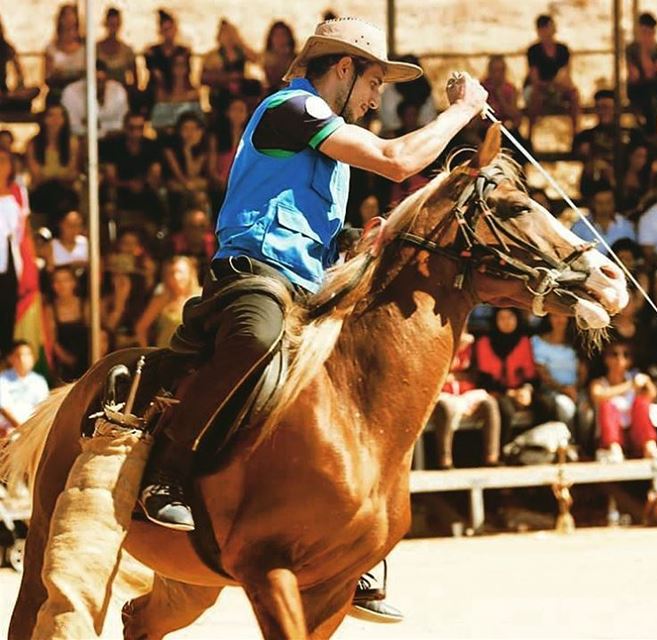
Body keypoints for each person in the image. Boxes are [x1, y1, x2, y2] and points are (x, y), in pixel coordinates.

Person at [138, 16, 488, 619]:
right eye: (374, 81)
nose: (378, 97)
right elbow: (397, 159)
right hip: (253, 278)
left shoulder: (331, 146)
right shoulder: (290, 109)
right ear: (344, 69)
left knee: (370, 374)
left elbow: (323, 229)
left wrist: (359, 242)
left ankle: (355, 539)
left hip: (308, 285)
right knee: (258, 333)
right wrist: (462, 112)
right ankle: (165, 473)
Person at [431, 331, 501, 469]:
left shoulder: (472, 346)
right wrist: (455, 349)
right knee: (446, 408)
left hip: (466, 393)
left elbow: (475, 375)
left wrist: (456, 376)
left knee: (490, 404)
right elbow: (436, 374)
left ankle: (492, 457)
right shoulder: (436, 343)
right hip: (444, 394)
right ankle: (445, 460)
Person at [590, 339, 657, 462]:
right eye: (614, 354)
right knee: (607, 405)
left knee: (641, 402)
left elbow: (652, 395)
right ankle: (614, 450)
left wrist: (647, 382)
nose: (620, 359)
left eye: (625, 354)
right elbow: (598, 395)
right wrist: (630, 385)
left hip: (635, 436)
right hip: (611, 439)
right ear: (606, 359)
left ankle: (650, 448)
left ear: (630, 361)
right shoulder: (599, 383)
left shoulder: (635, 379)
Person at [474, 308, 540, 450]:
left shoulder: (524, 341)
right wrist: (509, 392)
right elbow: (484, 379)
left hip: (520, 391)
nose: (506, 322)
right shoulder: (484, 343)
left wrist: (526, 390)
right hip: (495, 392)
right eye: (501, 318)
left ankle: (538, 448)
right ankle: (502, 451)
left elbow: (531, 375)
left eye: (510, 317)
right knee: (505, 408)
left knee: (546, 404)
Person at [99, 111, 165, 230]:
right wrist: (128, 184)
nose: (136, 132)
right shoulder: (113, 145)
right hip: (120, 189)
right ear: (125, 127)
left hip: (145, 189)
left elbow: (155, 173)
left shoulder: (152, 146)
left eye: (140, 128)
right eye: (132, 128)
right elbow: (110, 177)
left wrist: (143, 183)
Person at [524, 14, 579, 140]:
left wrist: (558, 85)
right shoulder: (534, 51)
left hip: (557, 87)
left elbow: (566, 75)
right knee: (535, 96)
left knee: (574, 94)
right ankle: (529, 136)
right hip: (538, 88)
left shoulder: (563, 50)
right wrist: (548, 85)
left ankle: (576, 132)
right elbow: (534, 79)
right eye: (543, 29)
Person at [25, 103, 80, 223]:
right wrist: (57, 176)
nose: (56, 120)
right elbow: (37, 177)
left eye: (60, 116)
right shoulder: (33, 145)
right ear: (44, 119)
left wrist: (53, 176)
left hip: (65, 190)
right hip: (41, 191)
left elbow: (72, 174)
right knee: (52, 193)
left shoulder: (72, 144)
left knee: (61, 196)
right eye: (51, 116)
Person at [135, 256, 200, 348]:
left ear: (190, 274)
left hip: (194, 353)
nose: (176, 277)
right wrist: (146, 351)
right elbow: (141, 328)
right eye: (171, 273)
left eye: (180, 272)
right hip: (166, 352)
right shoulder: (162, 299)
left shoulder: (200, 296)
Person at [0, 146, 28, 356]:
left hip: (9, 258)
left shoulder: (18, 191)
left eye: (3, 161)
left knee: (7, 310)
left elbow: (22, 230)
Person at [530, 314, 579, 435]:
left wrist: (575, 388)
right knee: (564, 406)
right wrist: (563, 389)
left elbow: (582, 370)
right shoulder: (537, 342)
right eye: (555, 316)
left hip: (577, 389)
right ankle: (567, 443)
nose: (560, 319)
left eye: (563, 315)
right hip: (551, 391)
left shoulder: (576, 343)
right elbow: (543, 374)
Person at [201, 18, 261, 114]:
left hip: (240, 89)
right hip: (222, 90)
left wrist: (240, 42)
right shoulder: (213, 56)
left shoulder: (241, 51)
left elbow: (256, 59)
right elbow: (203, 78)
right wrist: (226, 78)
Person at [625, 12, 657, 136]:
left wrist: (646, 51)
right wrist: (643, 50)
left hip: (654, 89)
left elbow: (651, 73)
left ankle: (650, 132)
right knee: (650, 97)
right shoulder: (631, 49)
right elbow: (635, 76)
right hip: (638, 89)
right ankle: (650, 133)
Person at [61, 59, 128, 139]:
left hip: (113, 139)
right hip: (82, 140)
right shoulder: (70, 91)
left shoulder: (118, 90)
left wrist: (99, 125)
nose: (97, 85)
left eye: (101, 81)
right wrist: (105, 128)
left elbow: (123, 122)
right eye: (94, 81)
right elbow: (72, 126)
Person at [44, 265, 88, 382]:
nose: (61, 285)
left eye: (66, 280)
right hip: (63, 362)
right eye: (57, 281)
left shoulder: (85, 305)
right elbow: (52, 342)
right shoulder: (50, 309)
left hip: (87, 356)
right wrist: (69, 360)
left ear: (74, 283)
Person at [143, 9, 191, 112]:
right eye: (165, 30)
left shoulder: (184, 51)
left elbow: (186, 76)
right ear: (160, 31)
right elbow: (157, 76)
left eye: (170, 29)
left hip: (180, 92)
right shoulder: (152, 52)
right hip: (157, 94)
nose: (168, 33)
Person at [0, 340, 49, 438]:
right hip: (9, 431)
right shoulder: (3, 379)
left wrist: (33, 429)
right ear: (11, 358)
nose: (25, 359)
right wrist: (22, 429)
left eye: (28, 354)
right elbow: (4, 408)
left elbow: (44, 408)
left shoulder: (39, 381)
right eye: (20, 355)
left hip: (34, 430)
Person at [570, 183, 635, 252]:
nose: (605, 207)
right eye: (600, 203)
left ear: (614, 202)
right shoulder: (579, 227)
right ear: (592, 203)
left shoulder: (626, 226)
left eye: (609, 202)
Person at [150, 51, 203, 132]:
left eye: (183, 65)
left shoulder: (194, 93)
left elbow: (200, 121)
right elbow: (157, 121)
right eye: (177, 65)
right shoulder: (162, 92)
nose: (180, 68)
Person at [44, 3, 85, 100]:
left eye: (71, 15)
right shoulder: (51, 48)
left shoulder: (84, 48)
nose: (69, 19)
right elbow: (47, 77)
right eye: (66, 15)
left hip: (81, 93)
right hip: (58, 93)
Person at [0, 16, 39, 112]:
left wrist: (17, 90)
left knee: (35, 90)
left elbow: (19, 72)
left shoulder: (4, 46)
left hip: (4, 95)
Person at [96, 7, 137, 94]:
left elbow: (135, 79)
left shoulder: (127, 51)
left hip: (120, 97)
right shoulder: (95, 49)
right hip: (99, 94)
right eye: (111, 24)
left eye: (116, 25)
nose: (113, 28)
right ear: (106, 24)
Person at [262, 20, 296, 95]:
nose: (280, 39)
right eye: (277, 35)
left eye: (283, 35)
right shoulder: (268, 59)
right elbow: (272, 80)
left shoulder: (296, 58)